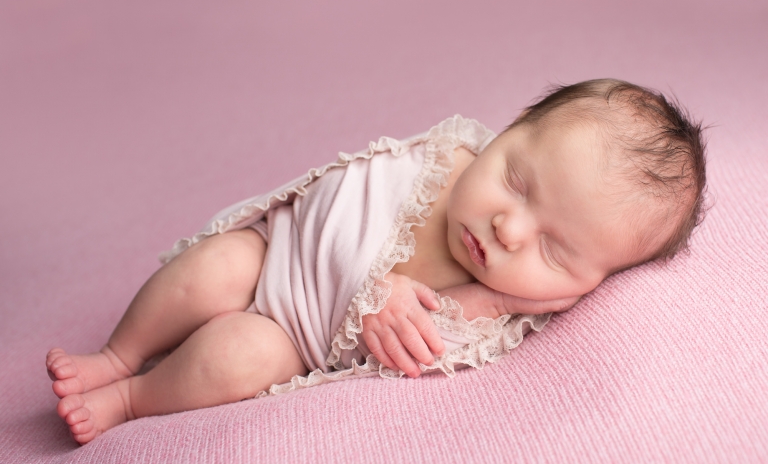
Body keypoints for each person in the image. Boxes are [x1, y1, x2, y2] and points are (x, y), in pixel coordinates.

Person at [46, 79, 707, 444]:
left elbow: (425, 349)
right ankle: (118, 356)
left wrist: (499, 301)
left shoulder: (502, 311)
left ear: (591, 282)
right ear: (507, 132)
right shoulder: (443, 160)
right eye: (516, 181)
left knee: (235, 360)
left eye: (553, 250)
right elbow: (335, 196)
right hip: (279, 253)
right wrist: (372, 288)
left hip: (294, 339)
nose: (508, 229)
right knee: (211, 269)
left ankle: (131, 399)